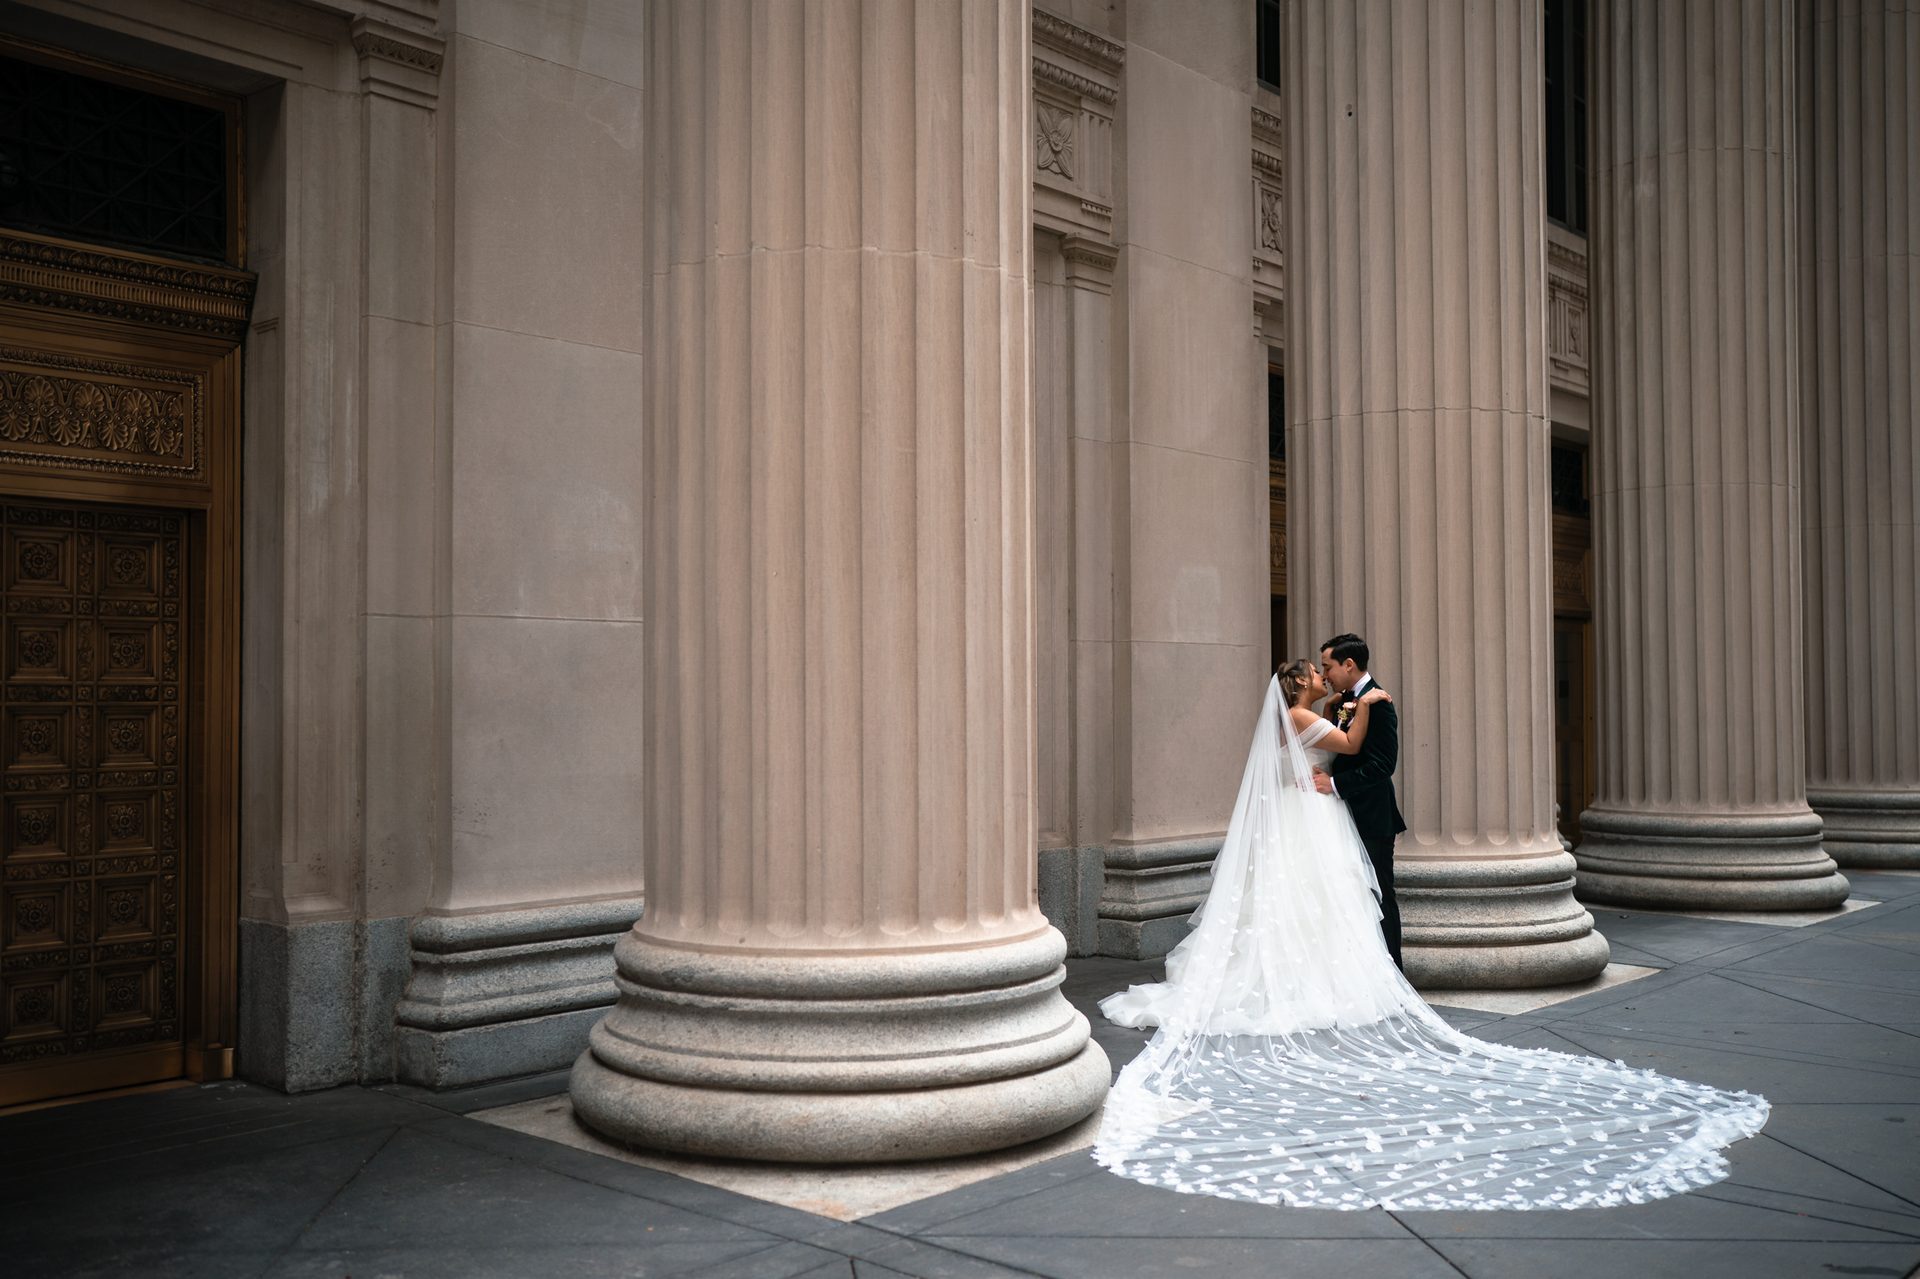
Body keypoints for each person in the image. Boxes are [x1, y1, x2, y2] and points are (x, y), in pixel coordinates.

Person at [1093, 655, 1768, 1212]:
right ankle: (1308, 978)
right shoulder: (1304, 714)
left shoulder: (1293, 718)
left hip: (1304, 819)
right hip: (1307, 821)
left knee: (1306, 909)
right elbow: (1352, 746)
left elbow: (1324, 754)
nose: (1315, 678)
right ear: (1296, 686)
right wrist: (1364, 706)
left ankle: (1310, 970)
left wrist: (1342, 716)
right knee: (1312, 907)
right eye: (1310, 674)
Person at [1311, 633, 1407, 967]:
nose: (1325, 676)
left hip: (1372, 817)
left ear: (1349, 664)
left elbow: (1383, 765)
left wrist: (1334, 784)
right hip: (1343, 816)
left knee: (1379, 894)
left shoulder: (1378, 702)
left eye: (1328, 666)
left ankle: (1394, 973)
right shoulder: (1341, 701)